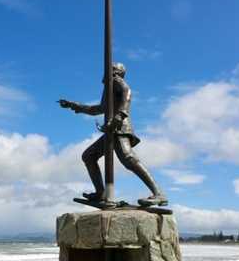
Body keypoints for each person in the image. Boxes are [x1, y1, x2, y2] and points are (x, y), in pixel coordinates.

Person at [59, 62, 167, 207]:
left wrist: (120, 115)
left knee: (128, 158)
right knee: (89, 156)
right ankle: (100, 193)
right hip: (112, 130)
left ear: (116, 72)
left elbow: (127, 92)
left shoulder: (115, 81)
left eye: (110, 70)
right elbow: (98, 109)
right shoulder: (108, 89)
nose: (106, 73)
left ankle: (159, 193)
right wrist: (75, 105)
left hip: (120, 128)